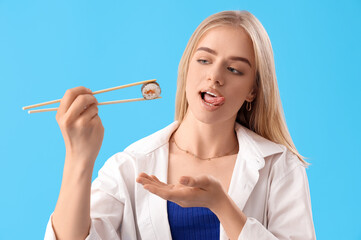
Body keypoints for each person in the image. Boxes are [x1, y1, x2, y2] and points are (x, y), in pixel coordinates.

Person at [44, 10, 316, 240]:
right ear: (187, 68)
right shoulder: (130, 166)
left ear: (252, 91)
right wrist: (79, 158)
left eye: (234, 69)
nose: (214, 76)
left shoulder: (280, 167)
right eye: (204, 60)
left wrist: (221, 205)